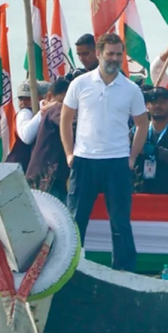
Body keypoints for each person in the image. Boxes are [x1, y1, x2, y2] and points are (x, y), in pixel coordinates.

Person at [61, 33, 148, 272]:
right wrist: (70, 153)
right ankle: (68, 265)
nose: (114, 58)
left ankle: (124, 270)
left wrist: (132, 157)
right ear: (99, 54)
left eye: (119, 54)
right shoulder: (80, 84)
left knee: (120, 221)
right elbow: (66, 118)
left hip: (117, 162)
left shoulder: (131, 89)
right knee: (76, 219)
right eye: (110, 53)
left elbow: (142, 123)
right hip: (84, 160)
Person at [26, 76, 72, 200]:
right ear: (50, 97)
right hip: (47, 178)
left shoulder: (47, 112)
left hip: (45, 176)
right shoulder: (58, 108)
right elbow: (71, 124)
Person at [8, 80, 50, 169]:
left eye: (27, 98)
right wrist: (42, 112)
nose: (23, 102)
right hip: (16, 170)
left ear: (39, 98)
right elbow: (27, 136)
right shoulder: (25, 113)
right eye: (20, 98)